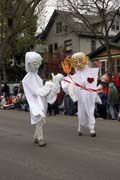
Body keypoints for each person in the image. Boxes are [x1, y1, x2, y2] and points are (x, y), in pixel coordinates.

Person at [22, 51, 63, 147]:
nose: (37, 66)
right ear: (28, 63)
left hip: (41, 101)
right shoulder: (27, 79)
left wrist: (54, 83)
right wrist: (50, 83)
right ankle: (40, 139)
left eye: (38, 63)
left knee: (40, 120)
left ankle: (36, 137)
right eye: (34, 63)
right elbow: (38, 92)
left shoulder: (37, 77)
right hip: (34, 102)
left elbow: (42, 92)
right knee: (39, 120)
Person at [61, 52, 99, 137]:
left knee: (90, 110)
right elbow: (69, 82)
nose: (78, 63)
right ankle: (80, 128)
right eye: (75, 61)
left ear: (84, 60)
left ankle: (91, 128)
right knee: (81, 111)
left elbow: (91, 83)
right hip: (81, 96)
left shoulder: (90, 72)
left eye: (80, 60)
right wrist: (68, 75)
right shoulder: (76, 74)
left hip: (88, 96)